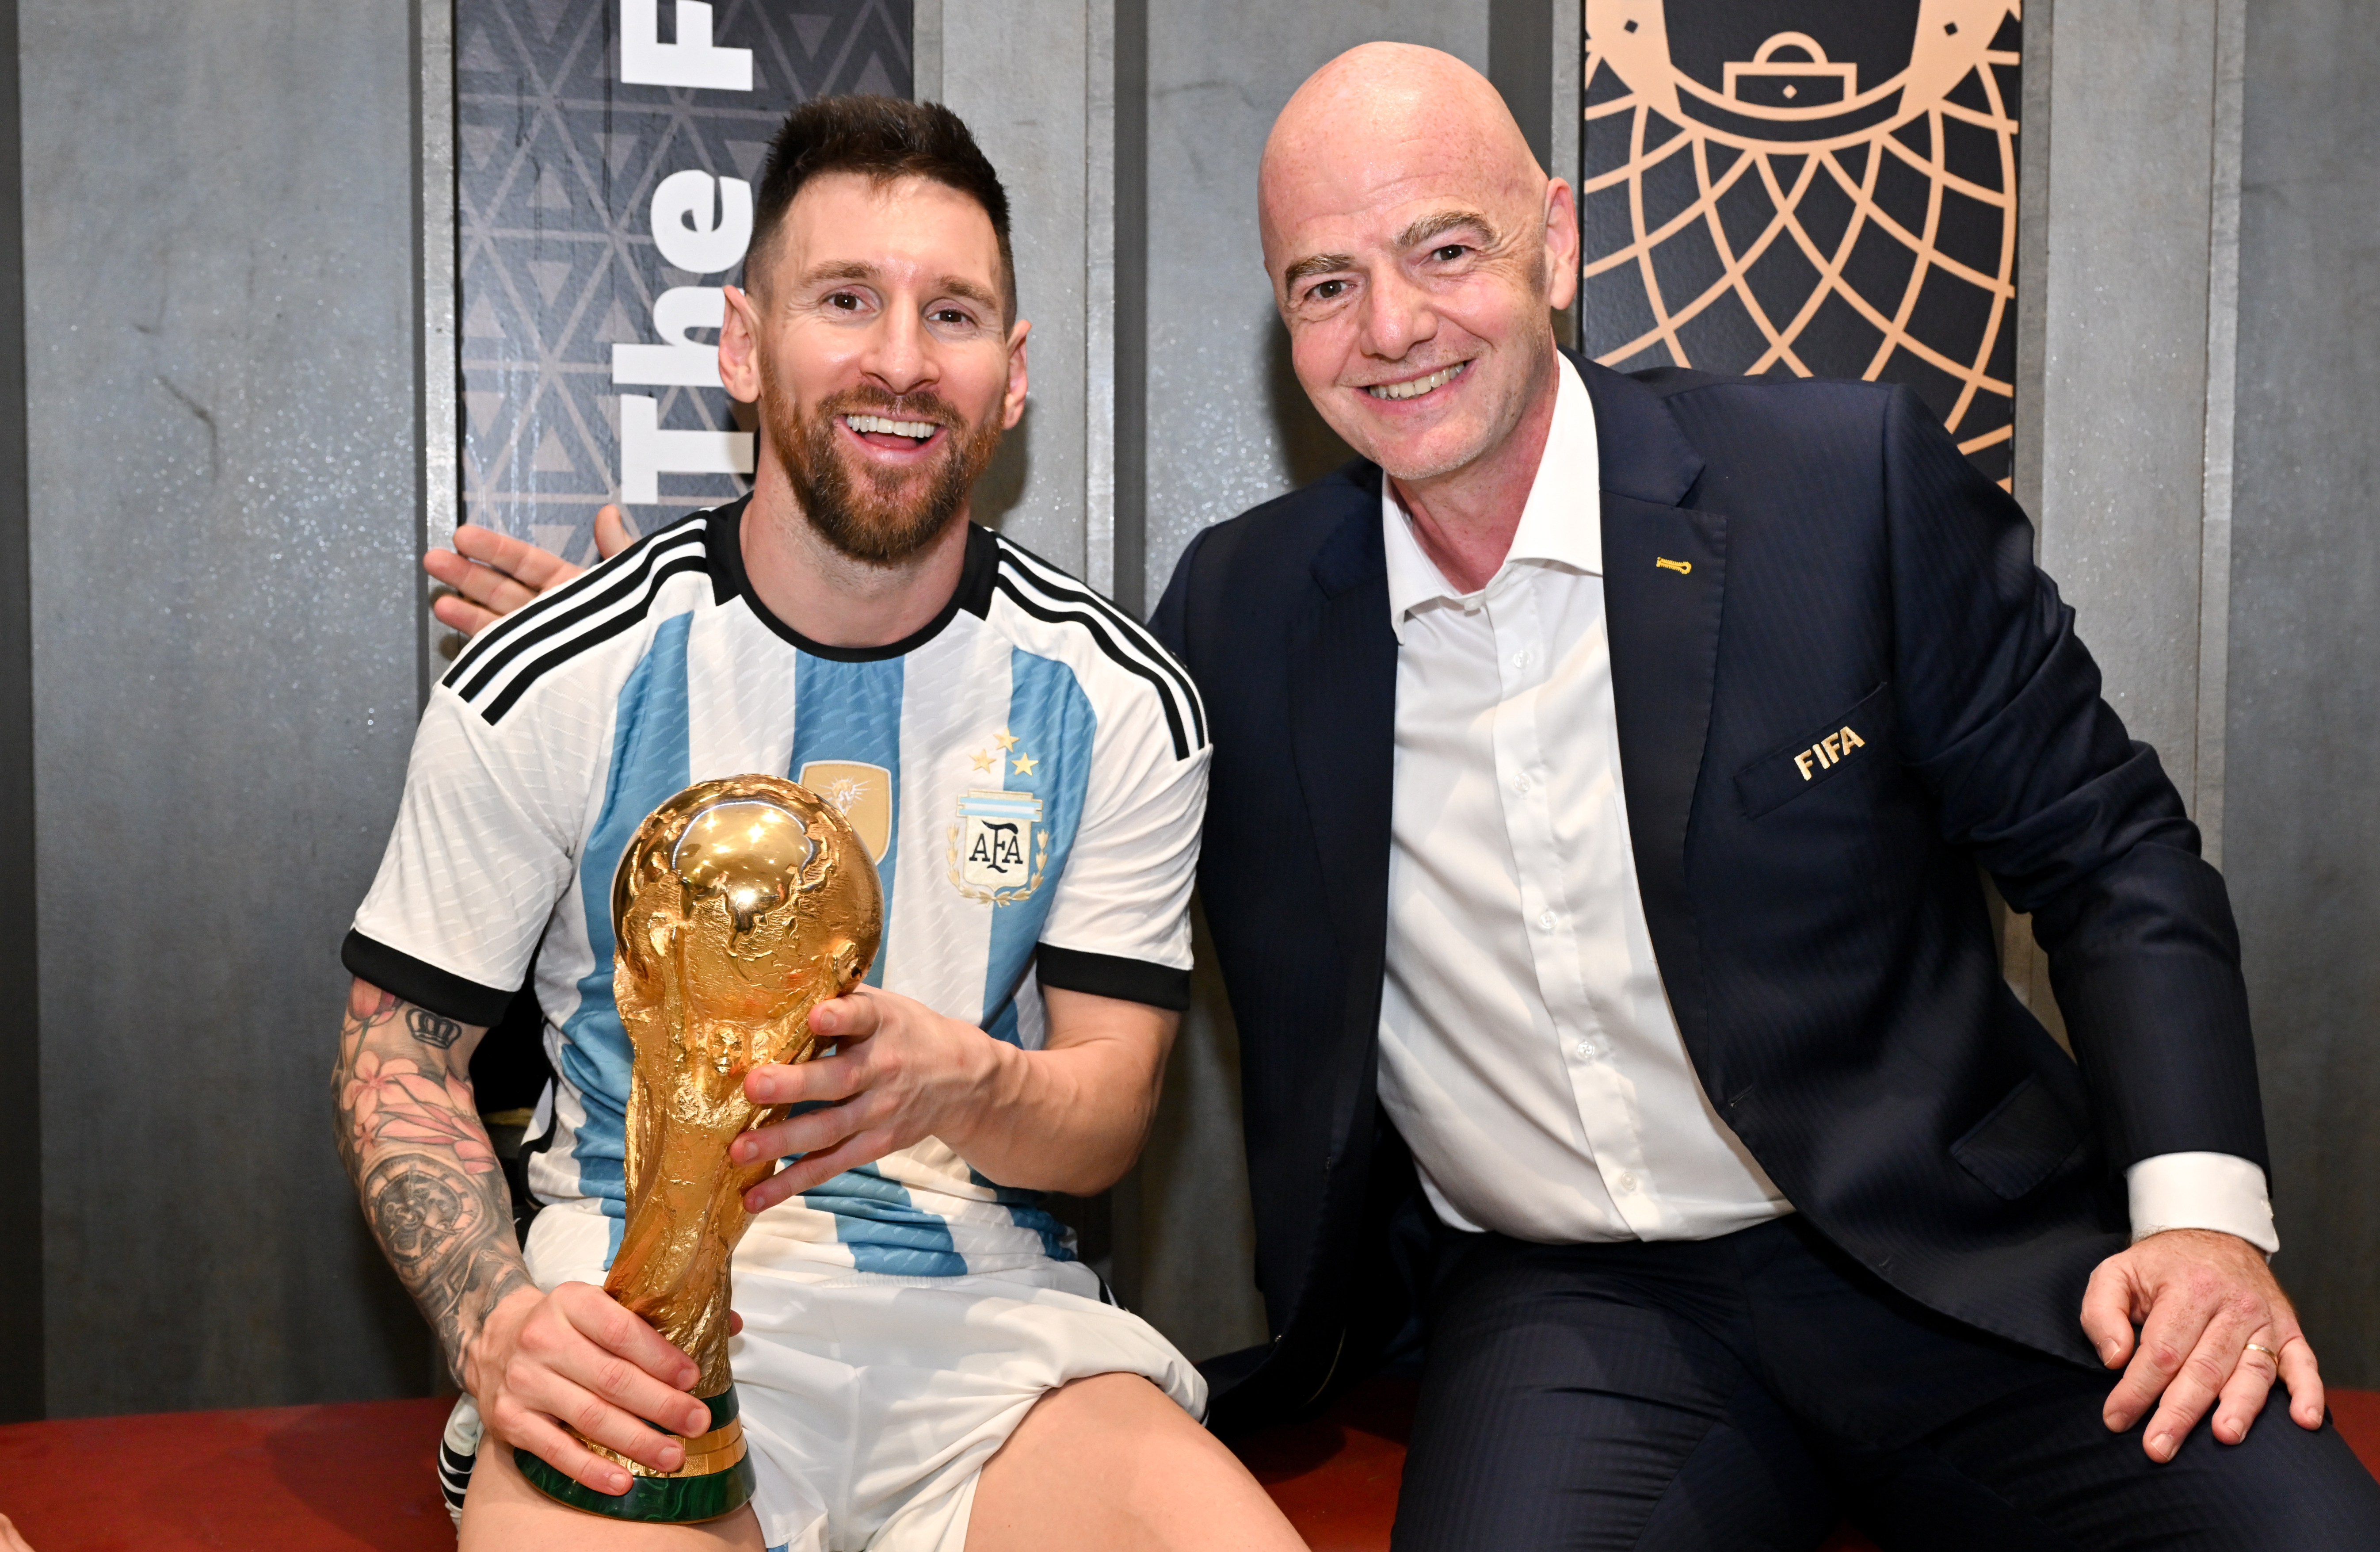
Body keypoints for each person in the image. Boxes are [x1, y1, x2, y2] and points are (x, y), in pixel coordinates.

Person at [1141, 41, 2380, 1548]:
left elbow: (2113, 852)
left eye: (1444, 249)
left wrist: (2194, 1218)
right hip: (1575, 1314)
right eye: (1324, 284)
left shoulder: (1837, 485)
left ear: (1560, 241)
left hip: (1953, 1250)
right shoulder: (1239, 610)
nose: (1390, 325)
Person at [335, 95, 1305, 1552]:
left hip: (994, 1347)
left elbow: (1108, 1111)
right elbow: (395, 1054)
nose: (902, 360)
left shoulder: (1116, 699)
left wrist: (959, 1084)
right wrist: (496, 1328)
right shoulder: (559, 671)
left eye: (955, 313)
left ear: (1015, 373)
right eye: (846, 299)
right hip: (643, 1325)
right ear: (740, 342)